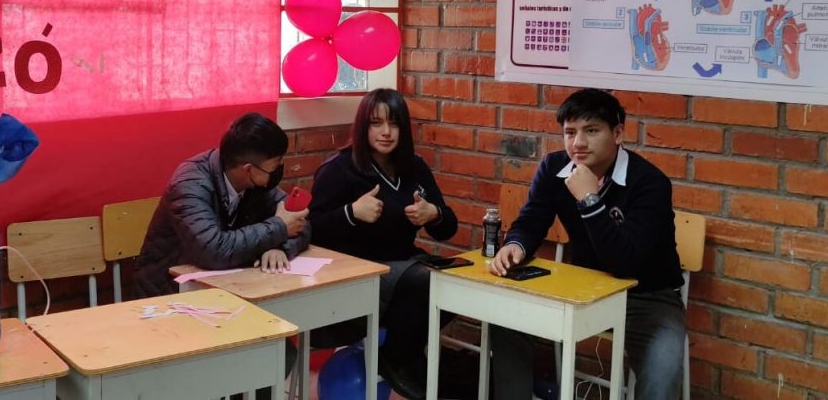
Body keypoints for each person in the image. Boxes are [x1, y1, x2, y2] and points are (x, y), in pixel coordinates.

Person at [489, 88, 685, 400]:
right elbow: (531, 220)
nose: (578, 143)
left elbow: (625, 261)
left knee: (662, 373)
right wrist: (516, 245)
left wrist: (589, 199)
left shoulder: (650, 183)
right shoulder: (554, 167)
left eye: (591, 131)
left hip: (646, 298)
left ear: (618, 133)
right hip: (582, 288)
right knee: (506, 318)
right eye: (570, 132)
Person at [309, 88, 459, 400]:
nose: (386, 132)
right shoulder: (338, 169)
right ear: (362, 127)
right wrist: (351, 213)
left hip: (404, 263)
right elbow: (313, 232)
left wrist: (433, 213)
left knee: (460, 284)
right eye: (376, 124)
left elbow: (448, 228)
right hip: (357, 270)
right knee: (426, 282)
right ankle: (400, 359)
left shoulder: (414, 167)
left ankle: (399, 352)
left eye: (394, 123)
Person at [133, 112, 311, 297]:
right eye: (275, 164)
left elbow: (300, 223)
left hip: (222, 288)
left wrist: (278, 248)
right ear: (248, 169)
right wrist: (279, 228)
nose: (278, 169)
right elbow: (213, 251)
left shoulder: (256, 183)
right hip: (168, 293)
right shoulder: (190, 184)